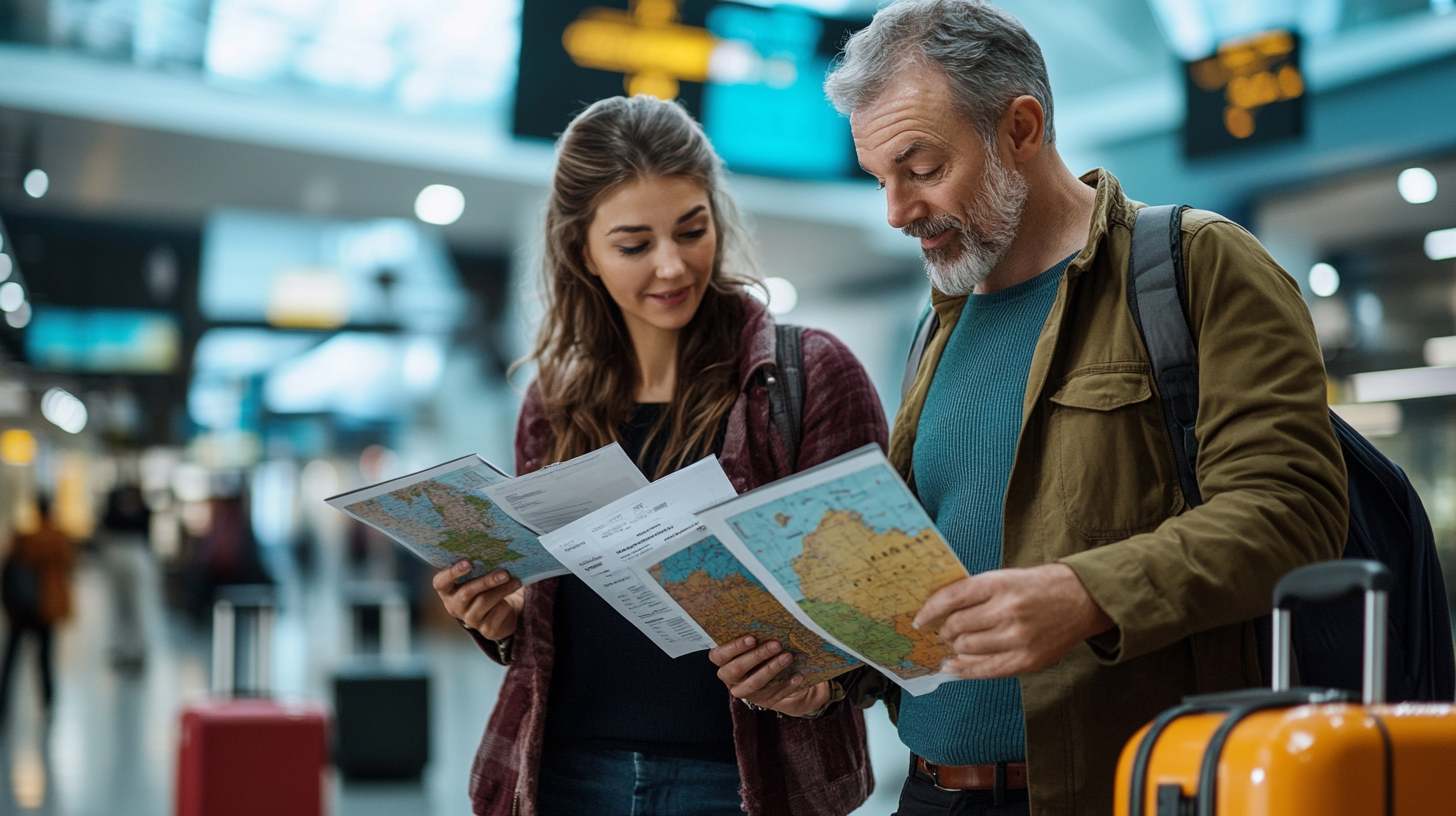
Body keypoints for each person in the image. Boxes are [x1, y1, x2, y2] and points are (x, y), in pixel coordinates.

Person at [711, 2, 1349, 815]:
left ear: (1020, 127)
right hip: (932, 792)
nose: (896, 211)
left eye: (922, 167)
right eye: (881, 178)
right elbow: (929, 592)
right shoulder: (935, 329)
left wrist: (1086, 596)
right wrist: (827, 672)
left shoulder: (1197, 266)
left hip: (1118, 791)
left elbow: (1292, 510)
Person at [430, 95, 889, 816]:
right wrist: (502, 616)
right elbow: (549, 617)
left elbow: (874, 607)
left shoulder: (808, 376)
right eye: (635, 245)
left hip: (744, 781)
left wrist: (817, 680)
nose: (672, 267)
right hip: (562, 774)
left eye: (692, 230)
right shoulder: (553, 403)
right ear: (583, 250)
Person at [0, 494, 76, 723]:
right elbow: (69, 565)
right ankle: (48, 703)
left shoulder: (25, 539)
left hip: (21, 609)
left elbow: (10, 568)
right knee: (44, 659)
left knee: (12, 660)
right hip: (46, 607)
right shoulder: (57, 537)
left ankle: (4, 703)